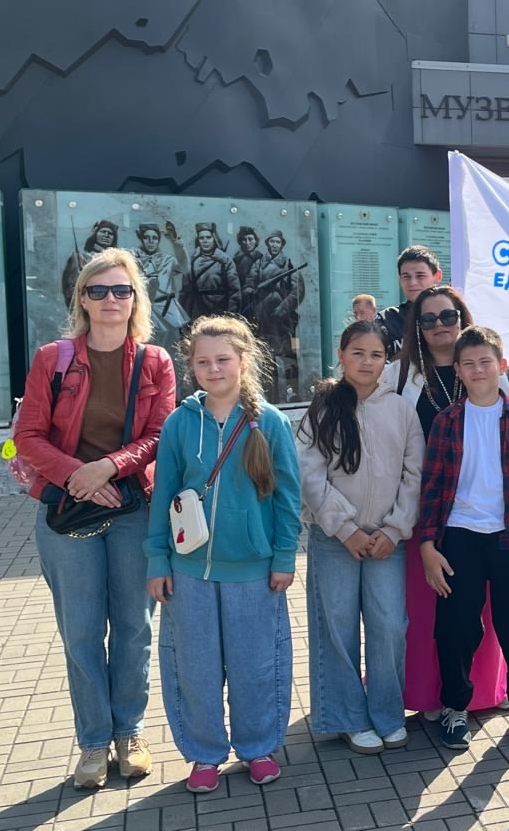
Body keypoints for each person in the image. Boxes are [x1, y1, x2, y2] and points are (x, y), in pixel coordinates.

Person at [14, 248, 176, 790]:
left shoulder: (155, 361)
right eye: (98, 290)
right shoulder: (53, 358)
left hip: (132, 507)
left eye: (121, 290)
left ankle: (129, 733)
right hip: (67, 510)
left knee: (134, 627)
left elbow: (160, 434)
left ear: (135, 299)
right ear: (81, 299)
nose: (111, 299)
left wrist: (108, 466)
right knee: (81, 632)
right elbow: (28, 436)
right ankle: (92, 742)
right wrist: (75, 475)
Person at [145, 315, 302, 794]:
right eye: (203, 362)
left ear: (243, 361)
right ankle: (205, 753)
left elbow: (288, 498)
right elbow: (164, 495)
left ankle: (258, 748)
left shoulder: (269, 422)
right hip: (189, 570)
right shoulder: (179, 422)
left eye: (223, 359)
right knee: (196, 668)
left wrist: (283, 557)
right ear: (191, 367)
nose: (214, 369)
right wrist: (157, 560)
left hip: (253, 571)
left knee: (256, 664)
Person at [418, 326, 509, 750]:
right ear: (458, 370)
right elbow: (432, 486)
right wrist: (427, 545)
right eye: (469, 364)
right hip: (459, 536)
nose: (478, 370)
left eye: (485, 362)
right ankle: (455, 706)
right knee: (455, 627)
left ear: (501, 366)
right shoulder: (446, 422)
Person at [297, 320, 424, 755]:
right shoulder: (322, 409)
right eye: (358, 353)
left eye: (376, 355)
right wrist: (345, 528)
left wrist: (394, 528)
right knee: (337, 628)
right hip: (335, 540)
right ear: (341, 355)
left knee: (389, 626)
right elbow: (310, 474)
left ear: (387, 359)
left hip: (388, 542)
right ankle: (348, 717)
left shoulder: (402, 410)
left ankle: (388, 713)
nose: (367, 362)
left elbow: (414, 474)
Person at [387, 285, 509, 719]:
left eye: (448, 316)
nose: (439, 325)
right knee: (426, 605)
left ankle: (482, 690)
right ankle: (428, 694)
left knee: (484, 605)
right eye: (428, 318)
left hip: (483, 510)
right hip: (425, 505)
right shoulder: (398, 375)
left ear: (462, 318)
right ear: (416, 326)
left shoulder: (484, 366)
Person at [247, 230, 305, 401]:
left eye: (277, 242)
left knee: (289, 358)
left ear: (281, 245)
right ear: (267, 244)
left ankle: (292, 394)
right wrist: (251, 291)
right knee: (266, 359)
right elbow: (249, 283)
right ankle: (270, 397)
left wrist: (283, 308)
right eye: (271, 242)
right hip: (263, 317)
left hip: (283, 320)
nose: (274, 245)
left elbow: (298, 291)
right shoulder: (259, 264)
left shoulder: (289, 265)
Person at [377, 245, 443, 359]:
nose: (412, 283)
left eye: (420, 276)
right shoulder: (387, 319)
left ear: (437, 276)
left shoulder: (451, 316)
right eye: (406, 277)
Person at [133, 223, 188, 351]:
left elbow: (185, 268)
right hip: (146, 310)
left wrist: (177, 244)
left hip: (168, 310)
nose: (151, 241)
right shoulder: (134, 260)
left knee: (173, 349)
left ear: (158, 240)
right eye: (147, 238)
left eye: (154, 238)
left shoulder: (168, 260)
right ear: (141, 239)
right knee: (147, 349)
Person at [180, 223, 241, 318]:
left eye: (208, 237)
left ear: (214, 239)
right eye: (202, 238)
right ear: (198, 240)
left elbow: (235, 290)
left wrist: (231, 315)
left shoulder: (225, 261)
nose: (205, 241)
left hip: (220, 309)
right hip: (198, 310)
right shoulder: (192, 262)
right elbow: (186, 292)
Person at [62, 219, 119, 305]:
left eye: (110, 234)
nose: (106, 235)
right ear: (95, 234)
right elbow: (71, 290)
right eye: (103, 232)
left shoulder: (118, 262)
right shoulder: (80, 258)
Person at [233, 227, 263, 310]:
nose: (247, 243)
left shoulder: (262, 259)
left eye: (250, 239)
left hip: (257, 300)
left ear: (256, 241)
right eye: (244, 240)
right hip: (239, 299)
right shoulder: (235, 261)